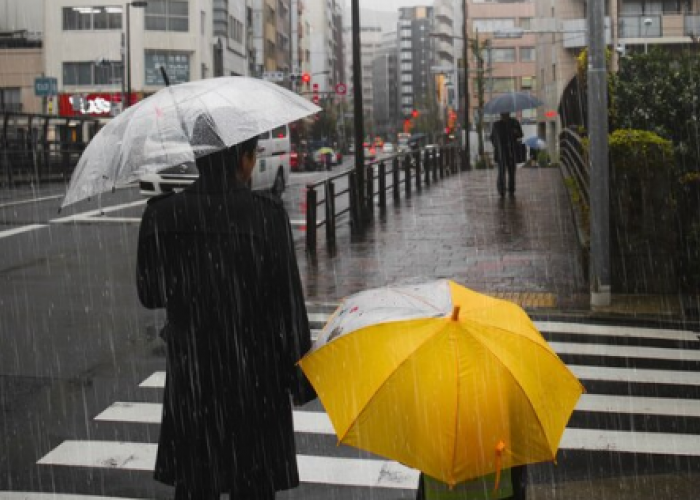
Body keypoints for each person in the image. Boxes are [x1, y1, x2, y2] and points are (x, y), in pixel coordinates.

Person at [136, 127, 315, 500]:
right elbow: (288, 307)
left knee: (195, 485)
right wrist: (299, 378)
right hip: (256, 381)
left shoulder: (162, 215)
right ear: (244, 160)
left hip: (194, 380)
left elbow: (150, 294)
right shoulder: (266, 217)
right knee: (253, 487)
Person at [489, 112, 524, 196]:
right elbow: (492, 138)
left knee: (511, 171)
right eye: (503, 114)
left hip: (511, 150)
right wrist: (497, 146)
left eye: (506, 113)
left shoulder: (514, 122)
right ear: (501, 114)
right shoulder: (496, 125)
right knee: (502, 171)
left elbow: (520, 134)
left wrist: (516, 132)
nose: (504, 115)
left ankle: (511, 189)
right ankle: (502, 189)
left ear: (508, 114)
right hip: (502, 152)